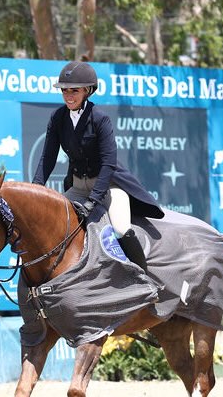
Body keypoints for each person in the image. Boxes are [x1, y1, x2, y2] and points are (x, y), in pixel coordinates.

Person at [32, 60, 164, 270]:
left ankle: (145, 281)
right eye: (64, 90)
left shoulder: (99, 119)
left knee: (121, 229)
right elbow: (47, 157)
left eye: (73, 90)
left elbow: (109, 163)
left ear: (87, 91)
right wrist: (36, 189)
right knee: (52, 224)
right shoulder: (57, 117)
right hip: (77, 188)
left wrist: (93, 200)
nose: (68, 95)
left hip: (108, 186)